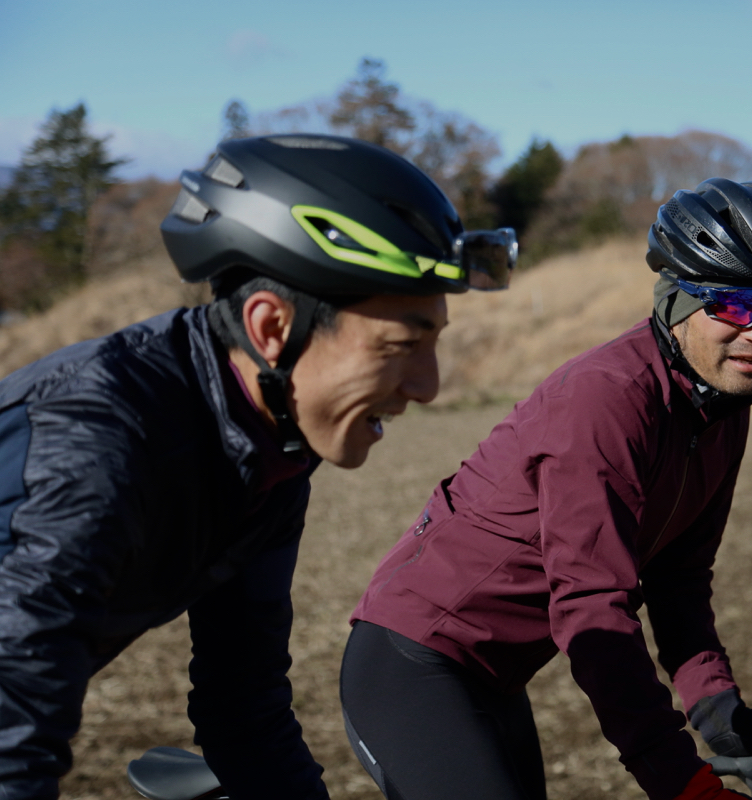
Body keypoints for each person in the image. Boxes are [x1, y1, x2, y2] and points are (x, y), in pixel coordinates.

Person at [0, 133, 517, 800]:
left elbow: (243, 707)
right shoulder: (99, 447)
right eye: (401, 344)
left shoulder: (270, 450)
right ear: (271, 328)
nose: (428, 385)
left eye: (435, 342)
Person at [343, 178, 752, 800]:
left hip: (496, 681)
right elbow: (591, 601)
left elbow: (679, 581)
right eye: (734, 305)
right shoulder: (606, 398)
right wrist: (677, 777)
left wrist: (725, 723)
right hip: (414, 662)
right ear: (677, 301)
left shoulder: (722, 408)